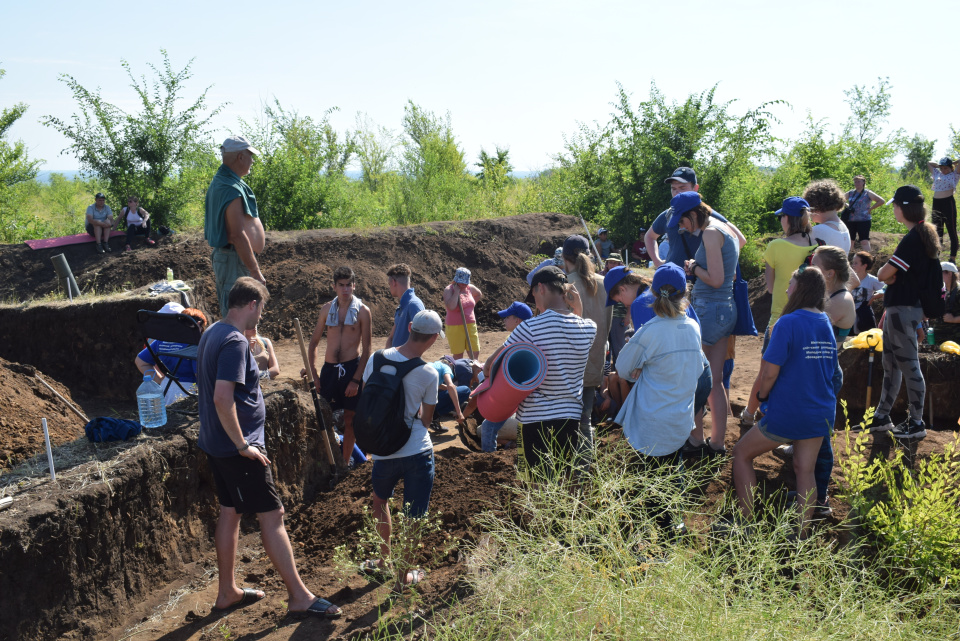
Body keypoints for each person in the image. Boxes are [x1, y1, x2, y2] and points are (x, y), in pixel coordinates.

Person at [196, 277, 341, 618]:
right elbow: (221, 398)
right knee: (273, 516)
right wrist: (242, 444)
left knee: (230, 512)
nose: (261, 315)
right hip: (237, 448)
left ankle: (227, 592)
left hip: (216, 443)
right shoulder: (234, 341)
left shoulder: (212, 332)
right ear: (252, 305)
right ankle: (299, 597)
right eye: (261, 308)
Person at [732, 267, 835, 537]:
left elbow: (769, 372)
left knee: (741, 454)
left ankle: (745, 523)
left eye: (790, 283)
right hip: (820, 410)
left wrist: (762, 397)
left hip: (790, 411)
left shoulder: (787, 322)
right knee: (805, 469)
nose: (787, 289)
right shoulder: (825, 321)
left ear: (800, 289)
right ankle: (799, 535)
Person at [614, 263, 708, 534]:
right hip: (680, 419)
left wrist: (642, 367)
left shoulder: (650, 331)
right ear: (685, 294)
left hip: (651, 421)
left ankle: (657, 532)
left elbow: (623, 369)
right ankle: (673, 526)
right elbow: (696, 368)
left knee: (648, 479)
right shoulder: (693, 327)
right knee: (671, 471)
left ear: (653, 294)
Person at [360, 310, 443, 591]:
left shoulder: (376, 359)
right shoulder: (428, 372)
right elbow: (427, 419)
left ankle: (384, 562)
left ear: (409, 327)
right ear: (433, 338)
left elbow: (368, 398)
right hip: (417, 452)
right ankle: (402, 578)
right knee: (414, 516)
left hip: (383, 450)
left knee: (380, 501)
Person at [493, 266, 596, 478]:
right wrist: (577, 307)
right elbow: (575, 325)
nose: (535, 303)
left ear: (540, 288)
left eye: (533, 296)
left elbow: (492, 363)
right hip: (570, 417)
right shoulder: (588, 328)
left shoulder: (528, 328)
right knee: (563, 479)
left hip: (534, 418)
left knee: (536, 482)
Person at [603, 265, 711, 452]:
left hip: (673, 379)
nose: (623, 304)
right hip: (699, 372)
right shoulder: (679, 299)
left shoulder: (640, 304)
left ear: (622, 289)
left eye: (619, 300)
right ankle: (694, 445)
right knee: (679, 441)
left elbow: (643, 353)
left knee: (659, 447)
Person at [867, 185, 942, 439]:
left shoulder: (913, 239)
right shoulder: (921, 234)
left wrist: (889, 277)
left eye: (895, 206)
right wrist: (891, 278)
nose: (894, 210)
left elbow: (882, 274)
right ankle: (882, 417)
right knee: (891, 365)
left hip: (903, 310)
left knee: (909, 366)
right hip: (902, 308)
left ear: (903, 208)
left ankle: (916, 422)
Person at [740, 197, 818, 426]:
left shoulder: (775, 246)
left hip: (780, 318)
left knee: (766, 371)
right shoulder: (818, 245)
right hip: (809, 319)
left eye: (781, 216)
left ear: (788, 219)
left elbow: (772, 288)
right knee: (797, 374)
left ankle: (749, 415)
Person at [677, 191, 739, 455]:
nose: (682, 227)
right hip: (724, 309)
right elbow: (729, 274)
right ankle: (717, 443)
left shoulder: (711, 233)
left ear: (693, 214)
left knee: (695, 378)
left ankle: (695, 439)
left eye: (682, 221)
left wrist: (693, 268)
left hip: (709, 309)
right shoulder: (725, 229)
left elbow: (715, 279)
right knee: (715, 380)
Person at [304, 266, 372, 461]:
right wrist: (314, 374)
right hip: (330, 371)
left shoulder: (363, 312)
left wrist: (356, 380)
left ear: (354, 286)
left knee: (350, 419)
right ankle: (328, 461)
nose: (345, 289)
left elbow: (367, 349)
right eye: (341, 285)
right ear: (334, 286)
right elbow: (313, 343)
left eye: (349, 285)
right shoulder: (326, 309)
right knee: (324, 418)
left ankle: (345, 463)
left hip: (351, 368)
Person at [204, 135, 266, 318]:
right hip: (233, 260)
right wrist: (255, 271)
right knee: (237, 317)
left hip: (234, 258)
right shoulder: (228, 186)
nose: (252, 160)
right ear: (240, 157)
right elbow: (236, 235)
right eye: (250, 156)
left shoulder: (226, 181)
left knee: (245, 317)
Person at [562, 235, 613, 450]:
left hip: (566, 368)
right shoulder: (604, 283)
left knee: (563, 423)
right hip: (594, 363)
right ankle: (585, 465)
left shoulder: (564, 286)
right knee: (585, 420)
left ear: (564, 257)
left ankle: (566, 463)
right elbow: (607, 326)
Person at [644, 167, 745, 269]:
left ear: (695, 188)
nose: (677, 192)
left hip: (701, 277)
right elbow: (649, 236)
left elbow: (740, 240)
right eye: (673, 188)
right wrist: (657, 262)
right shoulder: (669, 214)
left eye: (682, 188)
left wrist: (714, 267)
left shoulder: (708, 215)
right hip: (672, 276)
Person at [478, 301, 534, 452]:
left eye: (507, 317)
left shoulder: (517, 339)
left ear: (517, 320)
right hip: (522, 395)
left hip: (512, 395)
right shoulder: (530, 337)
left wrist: (486, 375)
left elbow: (489, 364)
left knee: (487, 427)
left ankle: (489, 457)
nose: (504, 320)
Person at [135, 306, 208, 405]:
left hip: (166, 388)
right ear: (198, 324)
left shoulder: (161, 341)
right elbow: (200, 377)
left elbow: (140, 362)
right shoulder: (195, 345)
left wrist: (160, 380)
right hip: (189, 393)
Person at [442, 268, 483, 359]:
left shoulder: (470, 288)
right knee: (458, 355)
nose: (464, 284)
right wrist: (456, 292)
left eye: (465, 282)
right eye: (461, 282)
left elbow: (478, 294)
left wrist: (469, 307)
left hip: (471, 324)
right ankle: (459, 368)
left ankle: (473, 367)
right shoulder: (449, 290)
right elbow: (451, 307)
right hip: (455, 326)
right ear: (456, 280)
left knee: (475, 351)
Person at [804, 179, 851, 252]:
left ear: (815, 205)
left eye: (808, 206)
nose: (808, 211)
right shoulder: (843, 228)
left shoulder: (819, 230)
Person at [928, 157, 960, 263]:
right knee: (937, 230)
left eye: (946, 168)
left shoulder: (954, 174)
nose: (943, 170)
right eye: (942, 168)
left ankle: (952, 258)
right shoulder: (938, 173)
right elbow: (929, 163)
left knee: (951, 230)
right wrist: (940, 165)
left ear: (951, 168)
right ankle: (936, 256)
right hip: (936, 204)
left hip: (948, 203)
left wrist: (953, 162)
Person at [385, 263, 424, 349]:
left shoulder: (414, 304)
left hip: (405, 357)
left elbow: (421, 339)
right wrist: (388, 354)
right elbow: (391, 338)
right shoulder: (402, 306)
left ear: (393, 282)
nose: (389, 287)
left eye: (389, 284)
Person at [845, 175, 886, 253]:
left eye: (859, 181)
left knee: (864, 241)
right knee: (850, 240)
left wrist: (871, 208)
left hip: (864, 220)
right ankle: (848, 257)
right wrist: (847, 206)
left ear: (863, 182)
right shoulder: (850, 193)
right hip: (851, 220)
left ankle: (867, 257)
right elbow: (840, 199)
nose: (857, 183)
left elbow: (881, 201)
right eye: (855, 182)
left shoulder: (867, 193)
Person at [850, 251, 885, 333]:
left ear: (864, 265)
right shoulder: (848, 279)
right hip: (849, 313)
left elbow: (886, 289)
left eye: (856, 263)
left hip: (864, 314)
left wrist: (874, 297)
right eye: (853, 263)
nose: (853, 265)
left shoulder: (871, 280)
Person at [429, 359, 468, 431]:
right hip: (426, 404)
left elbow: (440, 386)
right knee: (466, 390)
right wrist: (459, 412)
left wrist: (454, 388)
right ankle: (433, 417)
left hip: (415, 403)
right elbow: (450, 386)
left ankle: (429, 417)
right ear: (450, 364)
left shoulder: (431, 365)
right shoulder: (445, 367)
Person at [932, 262, 960, 343]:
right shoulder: (943, 291)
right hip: (941, 340)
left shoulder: (958, 292)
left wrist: (954, 319)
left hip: (955, 342)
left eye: (939, 273)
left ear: (949, 274)